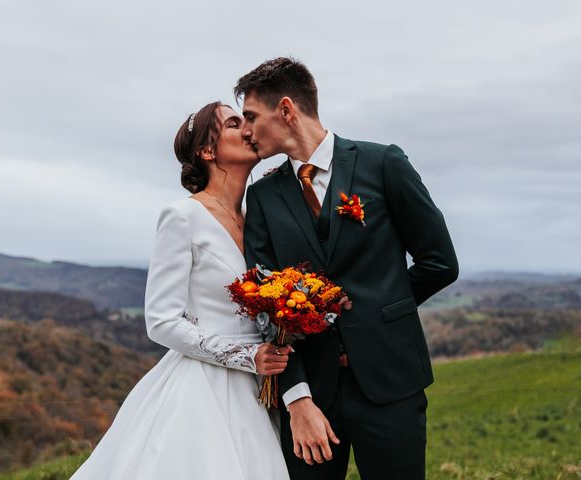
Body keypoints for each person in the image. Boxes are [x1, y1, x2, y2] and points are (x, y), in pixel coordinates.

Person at [236, 57, 459, 479]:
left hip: (391, 382)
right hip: (312, 396)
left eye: (250, 117)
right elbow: (263, 300)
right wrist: (297, 400)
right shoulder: (263, 196)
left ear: (286, 110)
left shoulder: (383, 164)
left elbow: (440, 262)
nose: (245, 130)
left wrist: (381, 309)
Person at [70, 101, 291, 479]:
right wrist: (246, 356)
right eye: (235, 123)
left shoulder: (259, 219)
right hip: (202, 390)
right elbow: (160, 322)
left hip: (261, 389)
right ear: (208, 151)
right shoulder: (182, 217)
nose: (249, 130)